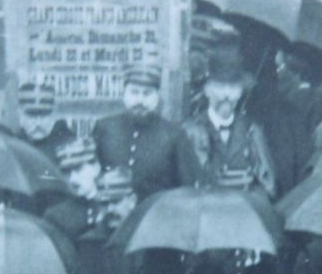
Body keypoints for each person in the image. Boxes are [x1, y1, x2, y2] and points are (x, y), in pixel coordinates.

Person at [92, 62, 199, 202]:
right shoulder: (105, 128)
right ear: (124, 94)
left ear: (157, 97)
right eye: (134, 92)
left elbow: (187, 188)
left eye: (147, 94)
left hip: (154, 218)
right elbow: (91, 177)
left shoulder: (174, 135)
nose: (140, 100)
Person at [181, 47, 279, 196]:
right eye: (220, 87)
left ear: (240, 92)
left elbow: (269, 185)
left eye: (233, 88)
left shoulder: (251, 130)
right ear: (207, 90)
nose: (227, 95)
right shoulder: (190, 130)